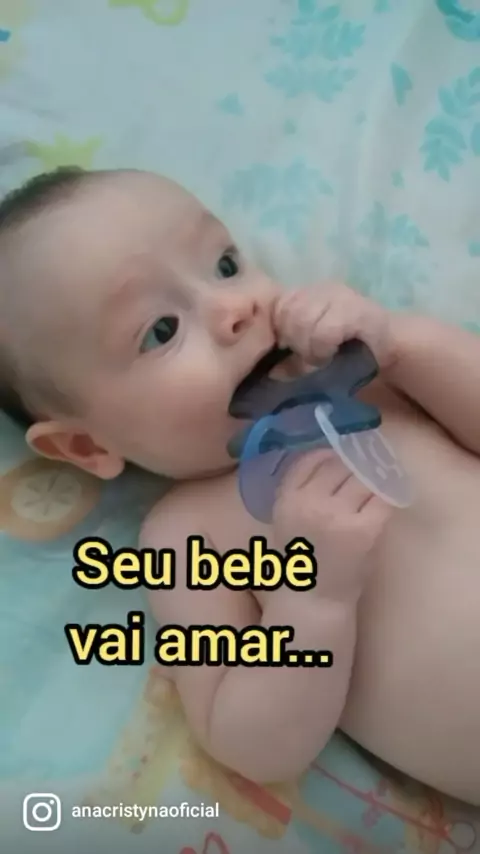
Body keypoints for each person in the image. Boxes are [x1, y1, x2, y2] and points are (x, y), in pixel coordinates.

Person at [0, 167, 479, 805]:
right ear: (86, 446)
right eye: (161, 330)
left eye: (225, 265)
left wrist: (404, 346)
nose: (235, 309)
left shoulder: (368, 373)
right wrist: (314, 600)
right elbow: (250, 744)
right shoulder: (188, 537)